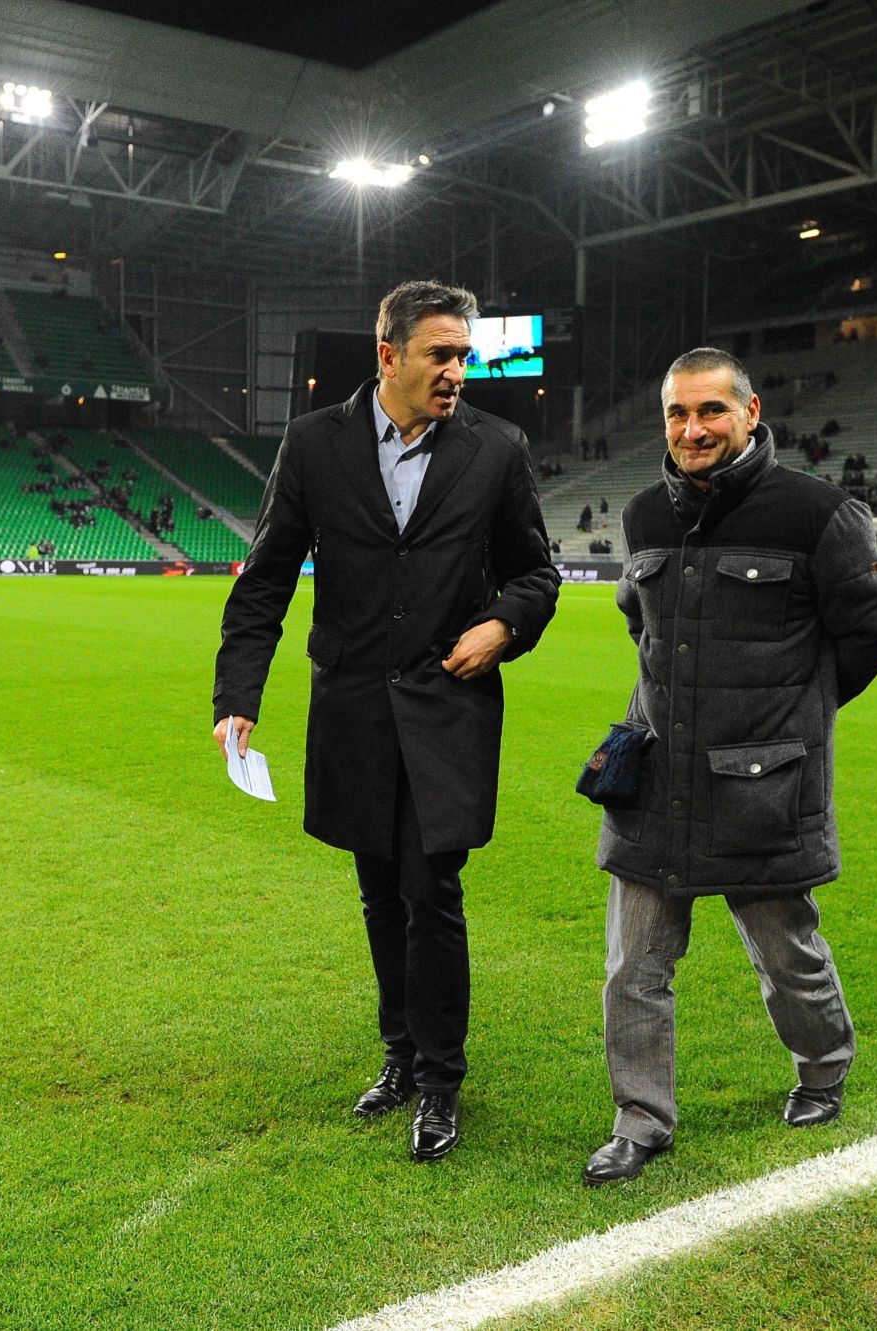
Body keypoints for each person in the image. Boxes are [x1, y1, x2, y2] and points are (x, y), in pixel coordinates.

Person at [212, 280, 560, 1163]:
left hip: (448, 707)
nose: (457, 370)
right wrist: (237, 699)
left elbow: (536, 573)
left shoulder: (498, 448)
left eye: (463, 354)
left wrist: (504, 625)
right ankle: (400, 1053)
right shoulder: (313, 444)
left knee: (430, 889)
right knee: (378, 890)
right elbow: (265, 579)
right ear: (388, 356)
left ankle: (441, 1079)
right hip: (355, 707)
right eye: (440, 353)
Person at [583, 347, 877, 1185]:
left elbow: (865, 640)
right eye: (679, 414)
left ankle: (824, 1065)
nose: (693, 429)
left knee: (784, 950)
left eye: (711, 411)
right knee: (634, 964)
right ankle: (641, 1118)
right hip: (655, 774)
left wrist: (786, 721)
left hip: (761, 783)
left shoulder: (820, 514)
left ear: (751, 413)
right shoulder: (645, 514)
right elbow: (639, 624)